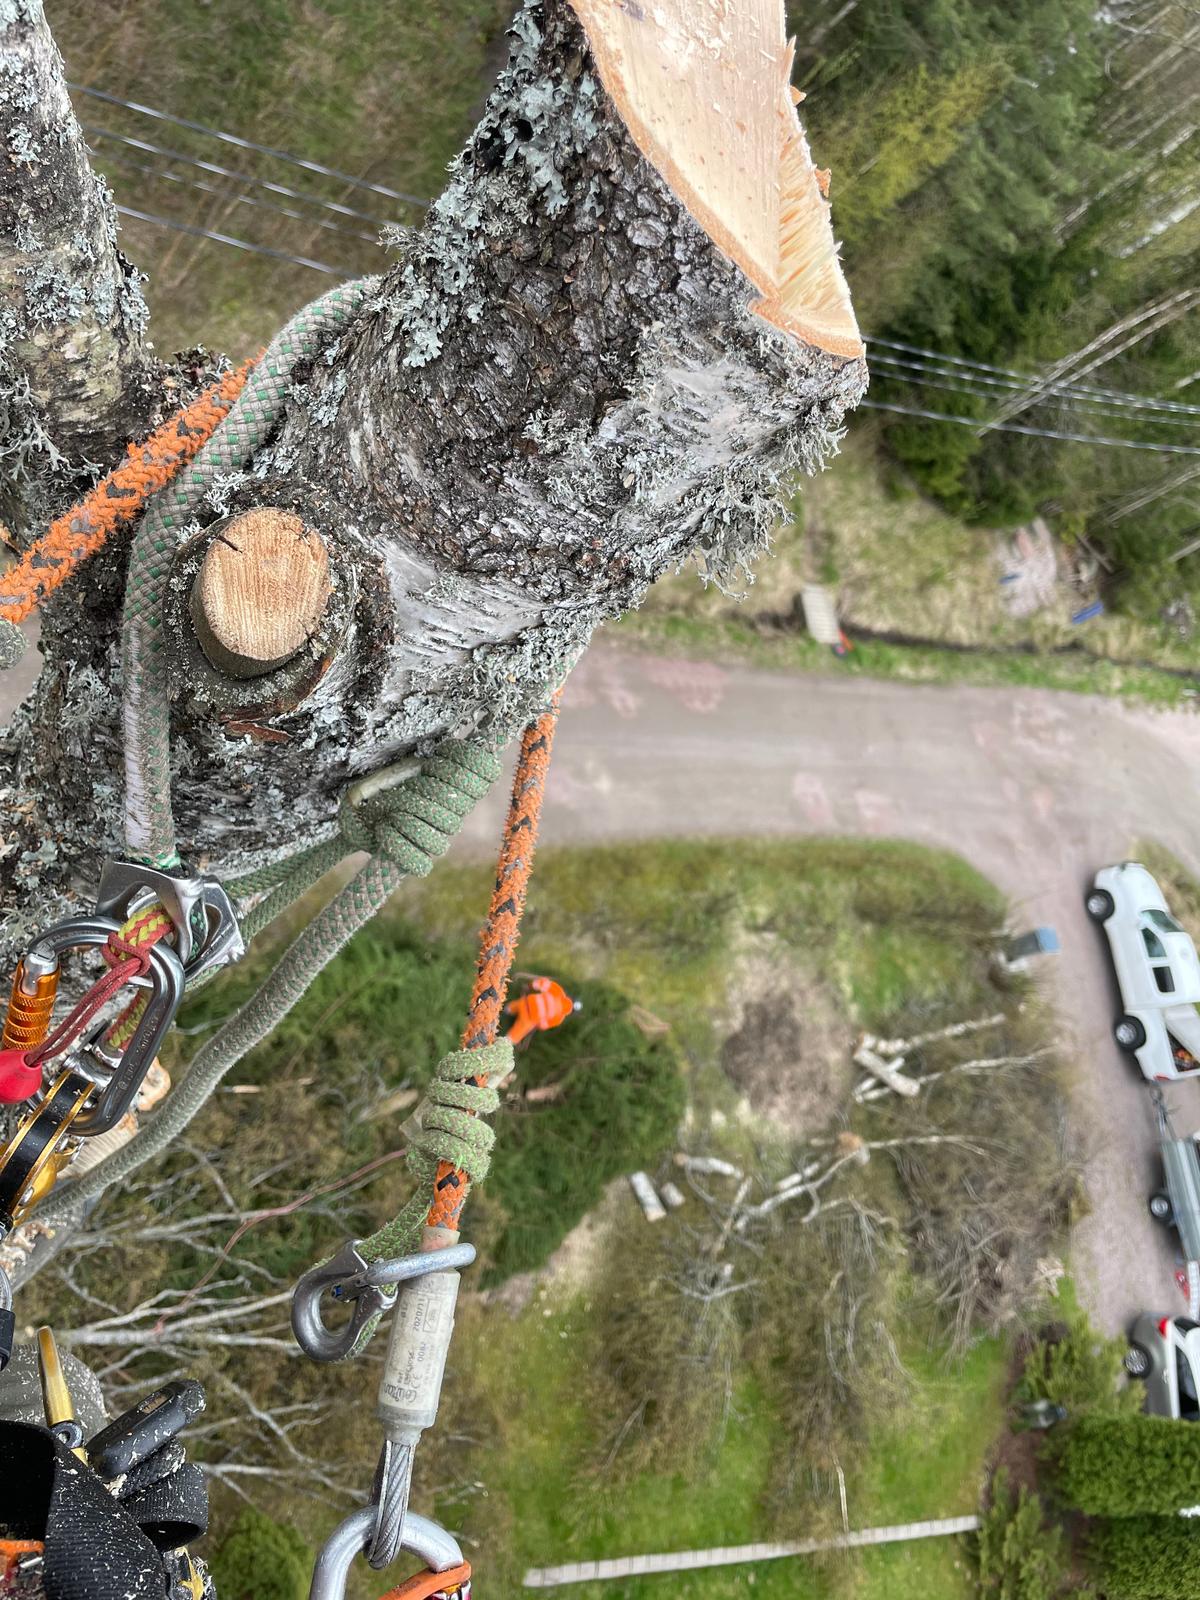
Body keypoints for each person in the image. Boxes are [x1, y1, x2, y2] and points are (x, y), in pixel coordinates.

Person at [505, 977, 581, 1046]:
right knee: (516, 1035)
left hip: (527, 1002)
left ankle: (507, 1009)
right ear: (572, 1012)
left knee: (513, 1006)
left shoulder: (559, 992)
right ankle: (506, 1042)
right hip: (529, 1018)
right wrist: (537, 1024)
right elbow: (543, 1025)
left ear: (571, 998)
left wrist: (530, 985)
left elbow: (542, 983)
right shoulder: (559, 1018)